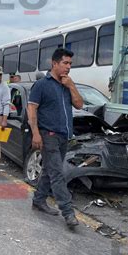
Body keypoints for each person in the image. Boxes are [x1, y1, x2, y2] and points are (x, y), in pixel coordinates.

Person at [27, 48, 84, 227]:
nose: (68, 67)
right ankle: (68, 212)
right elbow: (32, 110)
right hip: (48, 134)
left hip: (64, 135)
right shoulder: (42, 84)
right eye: (65, 63)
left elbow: (80, 105)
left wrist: (72, 86)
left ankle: (38, 200)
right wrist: (36, 133)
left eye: (70, 64)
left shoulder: (67, 85)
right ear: (54, 63)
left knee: (50, 170)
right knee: (58, 173)